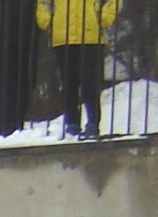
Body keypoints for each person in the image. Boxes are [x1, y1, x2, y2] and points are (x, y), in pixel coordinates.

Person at [36, 0, 119, 139]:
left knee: (90, 82)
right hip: (63, 36)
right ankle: (72, 124)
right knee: (69, 82)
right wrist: (48, 22)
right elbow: (41, 3)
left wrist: (104, 18)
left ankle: (92, 123)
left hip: (91, 35)